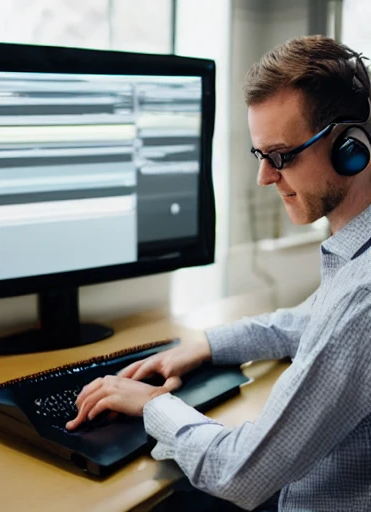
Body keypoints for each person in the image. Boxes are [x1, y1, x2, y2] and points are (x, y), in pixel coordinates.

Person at [66, 35, 371, 512]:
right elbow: (308, 322)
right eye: (259, 156)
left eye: (282, 155)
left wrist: (150, 405)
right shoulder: (356, 262)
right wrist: (206, 346)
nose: (265, 178)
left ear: (350, 148)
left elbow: (241, 473)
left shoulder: (363, 296)